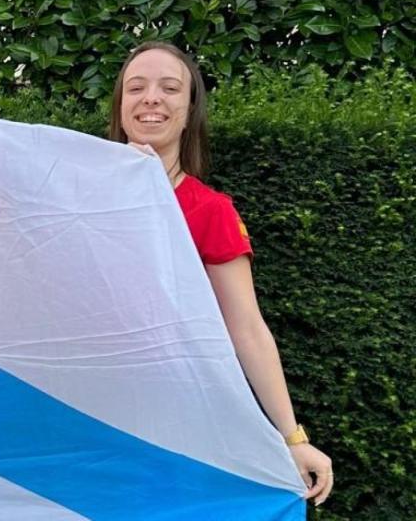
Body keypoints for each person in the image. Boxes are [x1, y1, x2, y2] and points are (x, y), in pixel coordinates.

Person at [109, 41, 334, 506]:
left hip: (183, 431)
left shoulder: (210, 212)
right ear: (120, 106)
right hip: (93, 421)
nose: (151, 98)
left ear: (189, 113)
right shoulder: (74, 195)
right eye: (136, 87)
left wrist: (293, 438)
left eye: (170, 88)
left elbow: (246, 328)